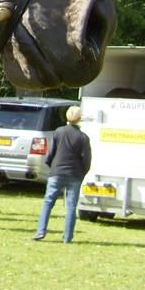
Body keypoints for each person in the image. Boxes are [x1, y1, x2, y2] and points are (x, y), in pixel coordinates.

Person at [33, 104, 91, 243]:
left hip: (57, 172)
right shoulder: (83, 137)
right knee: (71, 207)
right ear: (79, 119)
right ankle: (67, 237)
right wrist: (82, 173)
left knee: (48, 202)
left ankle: (40, 232)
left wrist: (50, 166)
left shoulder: (58, 132)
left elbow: (51, 153)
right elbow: (87, 160)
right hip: (74, 174)